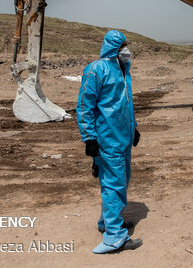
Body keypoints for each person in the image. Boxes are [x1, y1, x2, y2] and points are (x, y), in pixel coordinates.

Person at [76, 30, 142, 254]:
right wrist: (90, 139)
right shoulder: (96, 69)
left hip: (122, 139)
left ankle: (107, 222)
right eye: (123, 45)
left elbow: (125, 103)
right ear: (114, 47)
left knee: (120, 182)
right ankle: (114, 237)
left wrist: (133, 128)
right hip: (107, 140)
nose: (127, 49)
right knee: (113, 186)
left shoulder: (124, 69)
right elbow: (85, 106)